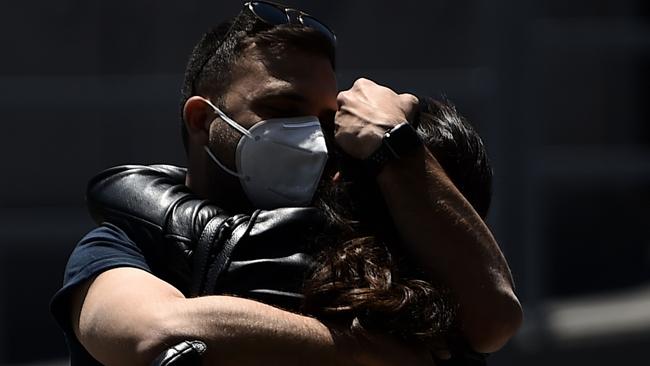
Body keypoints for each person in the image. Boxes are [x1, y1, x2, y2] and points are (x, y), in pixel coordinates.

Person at [51, 2, 522, 365]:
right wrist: (371, 352)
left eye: (325, 121)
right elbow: (152, 330)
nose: (310, 137)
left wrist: (391, 145)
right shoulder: (126, 241)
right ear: (201, 120)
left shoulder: (354, 241)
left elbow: (495, 316)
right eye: (281, 110)